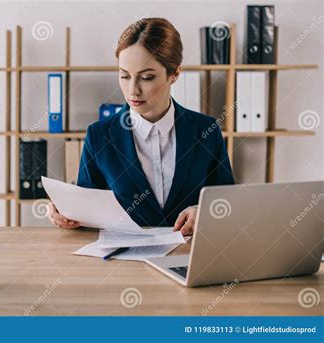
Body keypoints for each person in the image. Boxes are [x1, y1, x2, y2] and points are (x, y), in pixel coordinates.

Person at [48, 17, 234, 235]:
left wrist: (202, 210)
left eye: (146, 77)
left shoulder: (206, 131)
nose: (133, 91)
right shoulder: (99, 136)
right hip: (124, 263)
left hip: (189, 259)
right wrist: (66, 212)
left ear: (174, 73)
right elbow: (87, 210)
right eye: (124, 76)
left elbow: (227, 202)